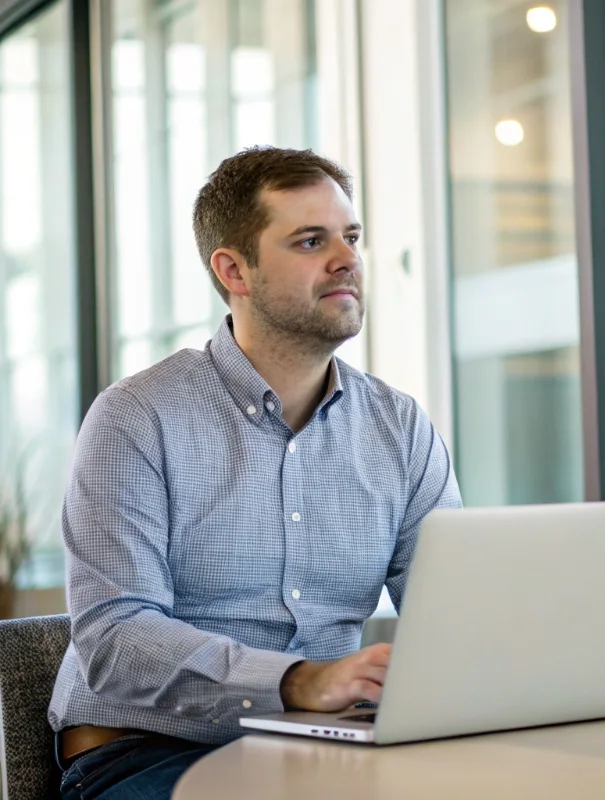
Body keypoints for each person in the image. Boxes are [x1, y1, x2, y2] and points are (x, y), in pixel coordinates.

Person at [49, 146, 462, 799]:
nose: (347, 259)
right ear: (233, 270)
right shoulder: (136, 417)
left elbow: (455, 613)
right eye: (310, 241)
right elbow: (116, 637)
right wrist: (297, 681)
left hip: (324, 750)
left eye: (351, 237)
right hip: (148, 753)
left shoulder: (400, 427)